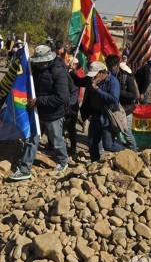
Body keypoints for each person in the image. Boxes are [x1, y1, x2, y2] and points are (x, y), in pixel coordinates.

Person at [9, 45, 69, 181]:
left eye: (41, 62)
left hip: (53, 114)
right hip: (37, 112)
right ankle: (24, 169)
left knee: (56, 140)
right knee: (31, 140)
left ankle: (63, 161)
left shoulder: (59, 71)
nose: (39, 64)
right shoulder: (33, 67)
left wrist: (39, 101)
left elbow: (62, 97)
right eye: (37, 62)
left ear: (48, 60)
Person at [80, 61, 125, 162]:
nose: (93, 78)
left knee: (108, 145)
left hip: (107, 117)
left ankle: (125, 150)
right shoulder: (93, 81)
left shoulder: (113, 81)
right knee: (92, 142)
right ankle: (94, 162)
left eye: (94, 75)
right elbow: (79, 82)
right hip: (95, 115)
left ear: (101, 73)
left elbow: (114, 99)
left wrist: (97, 90)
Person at [105, 55, 138, 152]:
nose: (110, 69)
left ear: (117, 65)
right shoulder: (109, 76)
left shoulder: (126, 77)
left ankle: (134, 152)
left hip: (126, 110)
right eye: (108, 66)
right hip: (115, 110)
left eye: (112, 67)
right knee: (116, 132)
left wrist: (118, 91)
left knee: (127, 133)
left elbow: (133, 95)